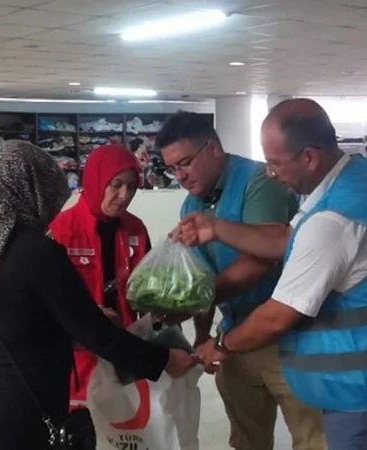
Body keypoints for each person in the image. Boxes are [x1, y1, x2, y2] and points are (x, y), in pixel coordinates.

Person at [176, 98, 367, 449]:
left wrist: (221, 344)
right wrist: (217, 228)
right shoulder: (359, 178)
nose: (270, 173)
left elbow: (276, 317)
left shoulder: (332, 221)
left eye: (275, 163)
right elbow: (288, 239)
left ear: (309, 157)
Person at [0, 140, 197, 450]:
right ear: (36, 193)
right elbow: (96, 333)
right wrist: (164, 359)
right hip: (2, 416)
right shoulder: (38, 253)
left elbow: (10, 316)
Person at [156, 112, 324, 450]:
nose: (181, 175)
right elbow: (200, 273)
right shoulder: (192, 204)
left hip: (289, 338)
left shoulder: (258, 181)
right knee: (247, 441)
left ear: (213, 148)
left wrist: (202, 297)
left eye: (185, 162)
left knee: (313, 439)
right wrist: (203, 334)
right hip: (233, 337)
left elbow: (265, 256)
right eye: (172, 169)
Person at [49, 145, 151, 414]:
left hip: (124, 356)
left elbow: (149, 294)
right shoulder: (60, 229)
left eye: (131, 187)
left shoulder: (136, 230)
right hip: (76, 362)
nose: (124, 195)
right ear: (96, 180)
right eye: (116, 185)